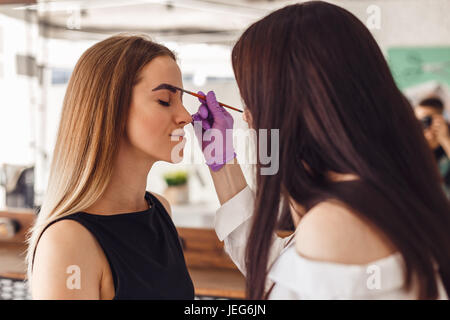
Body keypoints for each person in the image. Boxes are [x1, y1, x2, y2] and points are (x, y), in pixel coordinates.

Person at [192, 1, 450, 299]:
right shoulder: (374, 195)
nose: (247, 117)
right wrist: (224, 164)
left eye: (253, 100)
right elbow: (283, 273)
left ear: (288, 103)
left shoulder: (335, 222)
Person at [26, 34, 194, 299]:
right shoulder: (68, 241)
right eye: (165, 100)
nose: (186, 117)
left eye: (182, 102)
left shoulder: (161, 210)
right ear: (111, 108)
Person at [414, 97, 450, 197]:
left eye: (425, 121)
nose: (422, 128)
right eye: (417, 123)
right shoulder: (419, 154)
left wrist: (445, 140)